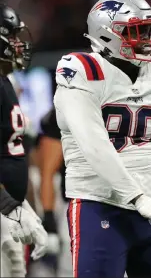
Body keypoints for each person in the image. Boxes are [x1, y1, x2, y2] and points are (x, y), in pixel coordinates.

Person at [54, 0, 151, 278]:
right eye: (135, 31)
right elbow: (94, 144)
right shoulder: (81, 71)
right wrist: (137, 198)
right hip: (98, 204)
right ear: (106, 35)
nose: (148, 39)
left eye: (149, 29)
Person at [0, 3, 48, 277]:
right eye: (12, 37)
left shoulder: (5, 81)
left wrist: (23, 207)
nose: (19, 44)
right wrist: (11, 206)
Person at [36, 107, 72, 277]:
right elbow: (48, 171)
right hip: (78, 205)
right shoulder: (65, 108)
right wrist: (48, 218)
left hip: (123, 204)